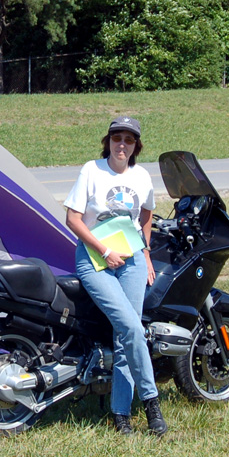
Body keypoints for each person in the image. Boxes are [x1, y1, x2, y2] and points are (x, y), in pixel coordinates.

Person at [63, 116, 167, 436]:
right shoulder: (91, 170)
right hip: (95, 259)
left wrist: (146, 253)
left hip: (132, 258)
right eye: (117, 138)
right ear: (107, 141)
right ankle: (152, 403)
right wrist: (104, 250)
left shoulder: (141, 176)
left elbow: (146, 214)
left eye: (129, 140)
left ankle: (121, 412)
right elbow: (73, 218)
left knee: (127, 336)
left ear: (137, 146)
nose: (122, 144)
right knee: (132, 327)